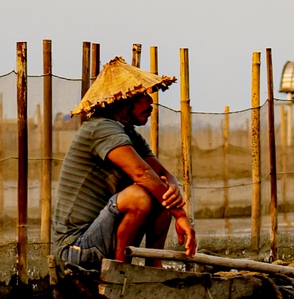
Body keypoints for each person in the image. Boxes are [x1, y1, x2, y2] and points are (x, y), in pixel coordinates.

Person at [52, 58, 197, 272]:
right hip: (75, 249)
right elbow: (142, 173)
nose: (150, 102)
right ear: (121, 102)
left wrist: (173, 186)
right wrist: (181, 215)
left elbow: (160, 172)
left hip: (98, 238)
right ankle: (120, 272)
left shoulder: (128, 133)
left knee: (161, 196)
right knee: (140, 196)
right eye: (141, 96)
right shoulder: (101, 128)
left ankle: (154, 270)